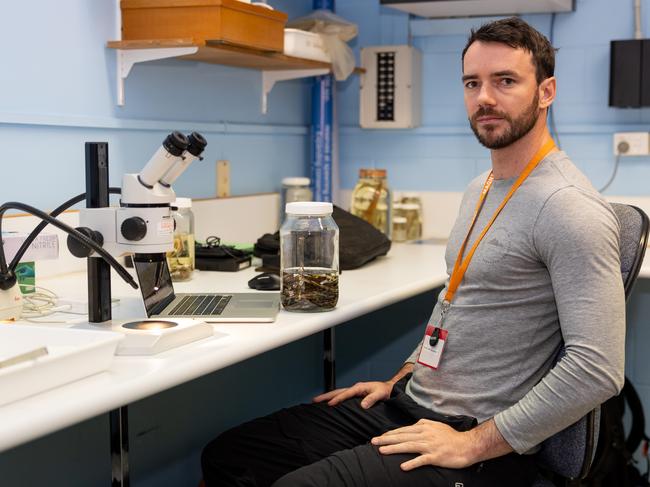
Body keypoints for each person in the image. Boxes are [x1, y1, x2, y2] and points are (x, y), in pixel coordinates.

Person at [201, 17, 625, 487]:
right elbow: (459, 308)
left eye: (505, 81)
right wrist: (402, 378)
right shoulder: (481, 188)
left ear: (546, 92)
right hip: (410, 407)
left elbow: (598, 370)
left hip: (479, 440)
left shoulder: (568, 207)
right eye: (472, 83)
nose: (484, 97)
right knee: (231, 455)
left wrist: (471, 444)